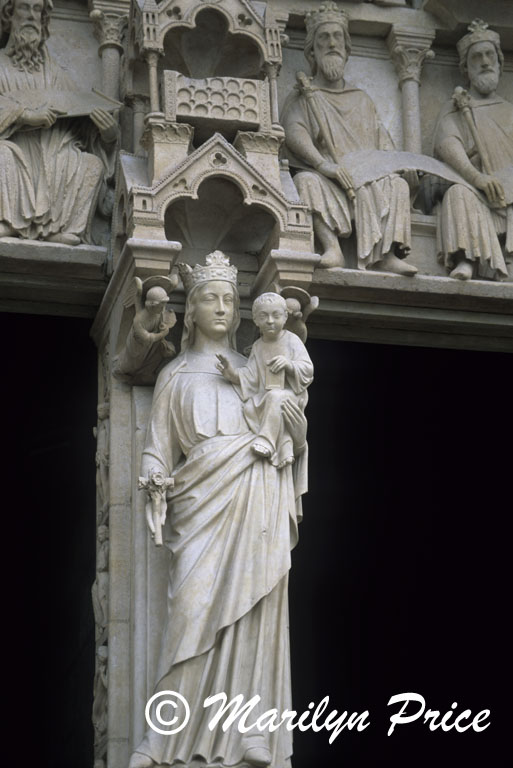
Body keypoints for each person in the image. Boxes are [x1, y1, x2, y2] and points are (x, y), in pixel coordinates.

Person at [130, 252, 309, 768]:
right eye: (211, 298)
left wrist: (291, 420)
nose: (223, 307)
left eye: (230, 299)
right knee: (189, 612)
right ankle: (162, 735)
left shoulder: (256, 368)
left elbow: (293, 433)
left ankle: (251, 729)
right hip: (198, 502)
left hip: (256, 491)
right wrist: (153, 482)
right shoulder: (175, 374)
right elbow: (157, 447)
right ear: (191, 310)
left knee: (254, 610)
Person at [282, 2, 417, 275]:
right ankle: (332, 248)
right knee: (305, 181)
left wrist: (400, 165)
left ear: (347, 48)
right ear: (312, 51)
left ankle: (385, 254)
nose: (332, 43)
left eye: (338, 37)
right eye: (324, 37)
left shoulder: (362, 99)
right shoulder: (305, 97)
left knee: (398, 184)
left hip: (366, 178)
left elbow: (382, 141)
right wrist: (324, 166)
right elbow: (294, 133)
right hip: (330, 179)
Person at [0, 0, 117, 244]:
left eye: (37, 10)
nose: (31, 16)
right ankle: (7, 221)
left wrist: (107, 133)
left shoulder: (53, 72)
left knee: (91, 165)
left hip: (52, 154)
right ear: (9, 15)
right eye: (24, 7)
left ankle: (60, 227)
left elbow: (74, 113)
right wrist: (24, 115)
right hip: (14, 150)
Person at [433, 19, 512, 280]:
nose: (485, 62)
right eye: (477, 57)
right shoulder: (456, 109)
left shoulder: (510, 111)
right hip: (476, 189)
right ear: (465, 69)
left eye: (490, 55)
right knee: (458, 194)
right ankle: (467, 259)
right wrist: (477, 178)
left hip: (509, 188)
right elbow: (447, 145)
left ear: (500, 63)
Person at [216, 292, 313, 469]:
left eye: (276, 315)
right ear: (255, 320)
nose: (270, 321)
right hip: (266, 396)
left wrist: (289, 365)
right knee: (249, 407)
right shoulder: (258, 346)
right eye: (263, 316)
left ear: (285, 317)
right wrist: (231, 374)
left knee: (275, 397)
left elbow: (308, 369)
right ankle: (283, 448)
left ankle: (266, 440)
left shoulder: (292, 340)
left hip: (290, 396)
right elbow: (250, 374)